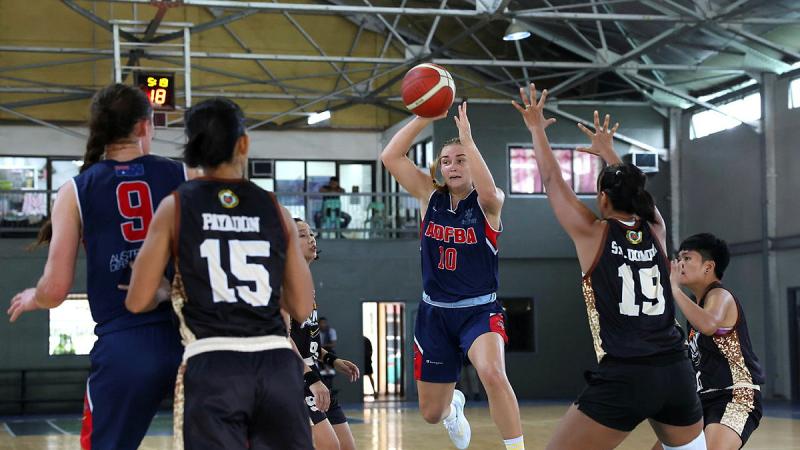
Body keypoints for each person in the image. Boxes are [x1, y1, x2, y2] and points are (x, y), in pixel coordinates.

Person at [512, 84, 705, 450]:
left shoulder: (593, 233)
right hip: (677, 371)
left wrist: (536, 128)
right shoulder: (656, 230)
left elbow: (553, 182)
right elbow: (636, 193)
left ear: (602, 197)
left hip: (628, 375)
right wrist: (609, 155)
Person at [124, 98, 314, 449]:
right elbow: (302, 308)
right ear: (243, 144)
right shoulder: (276, 208)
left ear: (191, 148)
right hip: (275, 364)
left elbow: (137, 300)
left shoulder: (176, 205)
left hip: (213, 364)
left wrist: (167, 288)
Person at [7, 83, 188, 450]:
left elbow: (56, 290)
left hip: (127, 344)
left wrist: (34, 298)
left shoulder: (77, 190)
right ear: (143, 127)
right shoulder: (182, 175)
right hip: (193, 337)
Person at [381, 102, 522, 450]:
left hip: (479, 310)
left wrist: (467, 141)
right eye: (447, 161)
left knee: (492, 372)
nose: (453, 166)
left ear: (473, 163)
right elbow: (391, 157)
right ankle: (452, 407)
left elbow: (490, 192)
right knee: (431, 412)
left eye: (461, 160)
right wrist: (423, 116)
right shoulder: (430, 197)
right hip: (435, 314)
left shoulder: (489, 203)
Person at [652, 233, 764, 450]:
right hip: (701, 399)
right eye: (679, 258)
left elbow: (709, 324)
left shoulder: (720, 296)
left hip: (735, 396)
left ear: (708, 266)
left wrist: (674, 289)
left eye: (687, 258)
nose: (679, 264)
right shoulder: (696, 305)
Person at [289, 218, 360, 450]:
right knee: (330, 446)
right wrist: (311, 379)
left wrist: (332, 360)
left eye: (311, 233)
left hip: (314, 374)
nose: (311, 238)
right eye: (302, 234)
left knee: (347, 446)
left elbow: (306, 341)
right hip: (297, 378)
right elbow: (281, 338)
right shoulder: (284, 282)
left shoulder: (306, 284)